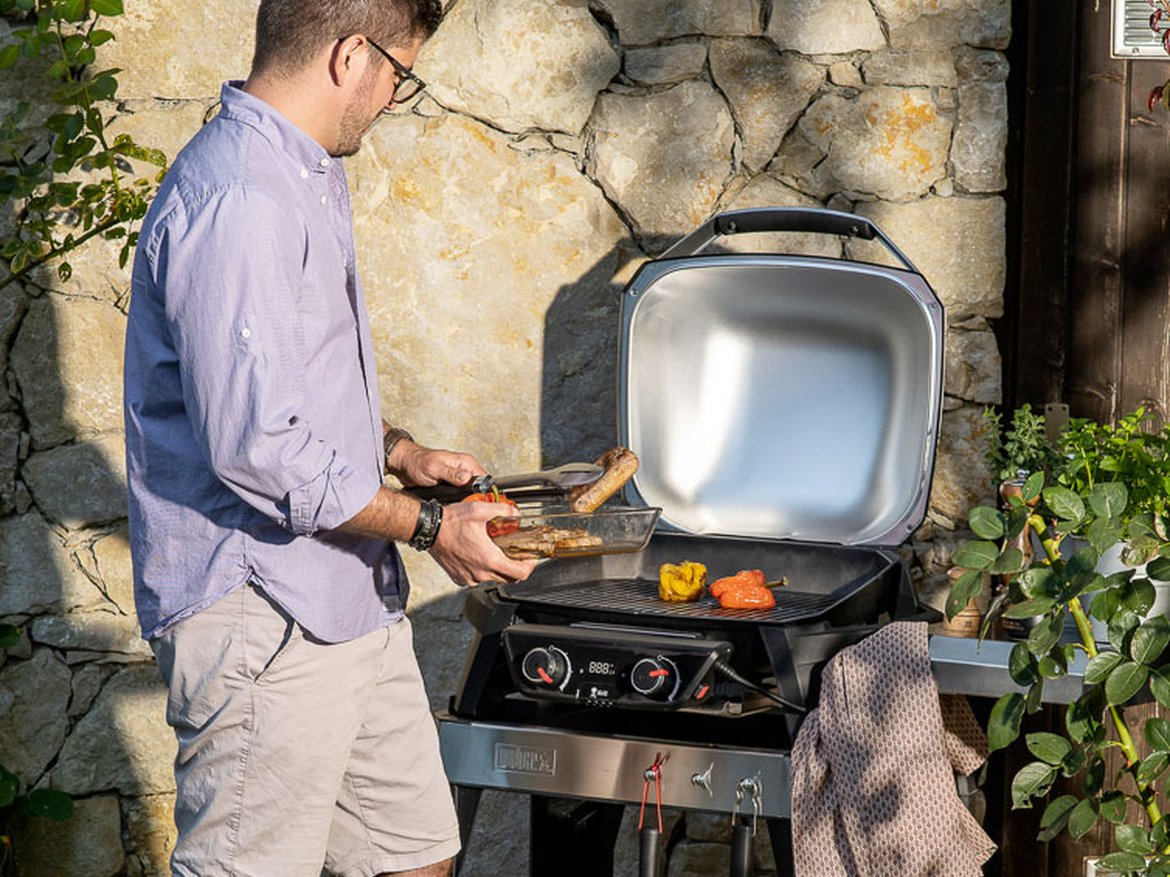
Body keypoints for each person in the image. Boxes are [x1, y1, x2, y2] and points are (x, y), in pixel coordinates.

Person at [122, 2, 537, 875]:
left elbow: (293, 388)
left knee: (414, 856)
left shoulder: (298, 172)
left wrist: (400, 455)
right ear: (352, 55)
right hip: (264, 611)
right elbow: (260, 447)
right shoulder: (239, 197)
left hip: (346, 596)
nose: (394, 95)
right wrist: (430, 527)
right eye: (399, 71)